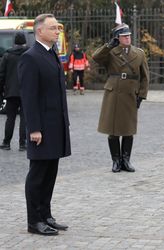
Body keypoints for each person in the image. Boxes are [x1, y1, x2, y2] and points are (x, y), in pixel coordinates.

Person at [18, 14, 71, 236]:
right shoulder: (31, 57)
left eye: (57, 28)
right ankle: (34, 221)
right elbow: (28, 97)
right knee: (38, 175)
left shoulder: (51, 54)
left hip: (55, 125)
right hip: (42, 128)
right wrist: (34, 128)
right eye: (52, 28)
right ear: (39, 31)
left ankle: (46, 215)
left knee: (50, 173)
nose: (57, 31)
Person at [92, 23, 149, 173]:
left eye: (129, 36)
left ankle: (126, 160)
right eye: (124, 36)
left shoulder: (139, 53)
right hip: (114, 93)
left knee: (129, 129)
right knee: (113, 129)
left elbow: (145, 77)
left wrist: (141, 95)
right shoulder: (110, 52)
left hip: (131, 93)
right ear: (117, 38)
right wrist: (108, 46)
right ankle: (116, 161)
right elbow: (95, 57)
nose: (128, 38)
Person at [0, 32, 28, 151]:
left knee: (10, 118)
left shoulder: (7, 55)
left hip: (11, 91)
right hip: (26, 91)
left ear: (14, 42)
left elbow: (1, 75)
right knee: (24, 118)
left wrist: (2, 90)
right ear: (24, 41)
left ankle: (6, 142)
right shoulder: (29, 55)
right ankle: (23, 144)